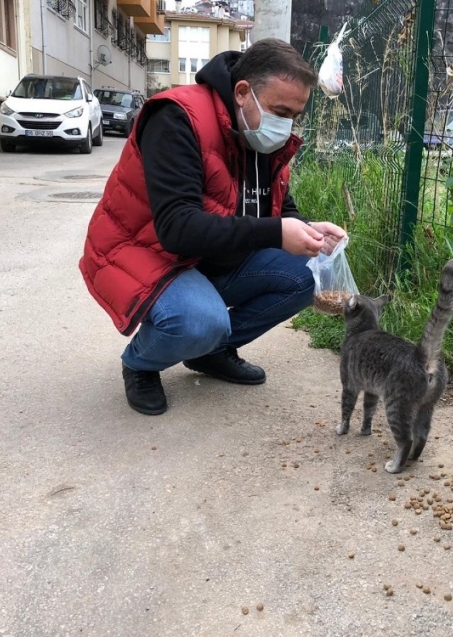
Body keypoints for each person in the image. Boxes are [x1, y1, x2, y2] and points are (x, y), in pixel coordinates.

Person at [79, 38, 347, 416]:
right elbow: (177, 228)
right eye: (280, 111)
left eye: (294, 116)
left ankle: (211, 352)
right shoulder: (177, 118)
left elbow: (279, 208)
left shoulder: (260, 134)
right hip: (148, 251)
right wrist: (275, 233)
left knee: (309, 273)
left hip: (209, 256)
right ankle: (141, 362)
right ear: (242, 92)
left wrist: (308, 230)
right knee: (197, 320)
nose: (285, 126)